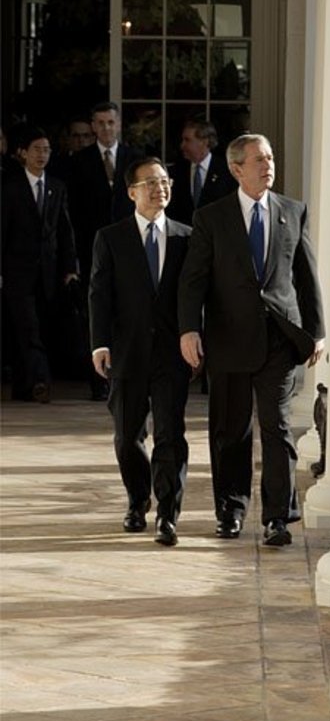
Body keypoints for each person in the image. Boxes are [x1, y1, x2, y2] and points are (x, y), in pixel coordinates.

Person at [178, 133, 325, 547]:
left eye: (271, 158)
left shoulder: (292, 211)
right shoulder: (211, 217)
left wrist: (317, 331)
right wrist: (189, 328)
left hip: (279, 340)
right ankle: (231, 511)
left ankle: (279, 517)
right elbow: (193, 281)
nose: (268, 166)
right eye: (258, 159)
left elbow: (306, 275)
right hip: (227, 340)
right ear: (236, 168)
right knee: (231, 431)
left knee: (276, 428)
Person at [89, 157, 192, 546]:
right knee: (127, 437)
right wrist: (100, 343)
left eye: (164, 181)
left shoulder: (187, 237)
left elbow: (195, 295)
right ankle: (137, 501)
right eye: (149, 183)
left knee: (170, 434)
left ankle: (168, 514)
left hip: (172, 354)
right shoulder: (111, 238)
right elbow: (99, 295)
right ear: (132, 191)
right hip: (126, 352)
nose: (159, 188)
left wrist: (194, 336)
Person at [68, 101, 141, 399]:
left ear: (119, 124)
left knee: (127, 310)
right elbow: (71, 212)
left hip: (129, 248)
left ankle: (125, 375)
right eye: (100, 123)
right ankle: (99, 381)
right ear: (93, 126)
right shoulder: (78, 161)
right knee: (96, 311)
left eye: (111, 122)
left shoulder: (134, 159)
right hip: (91, 249)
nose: (106, 128)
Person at [1, 127, 78, 402]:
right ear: (22, 153)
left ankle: (25, 387)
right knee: (27, 327)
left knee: (39, 328)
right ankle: (40, 381)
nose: (42, 155)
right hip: (16, 273)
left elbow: (64, 230)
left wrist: (70, 268)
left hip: (48, 272)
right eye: (36, 149)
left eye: (46, 149)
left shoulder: (56, 187)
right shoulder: (10, 188)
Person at [166, 118, 236, 226]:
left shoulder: (226, 170)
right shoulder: (176, 171)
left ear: (204, 142)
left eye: (187, 140)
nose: (182, 145)